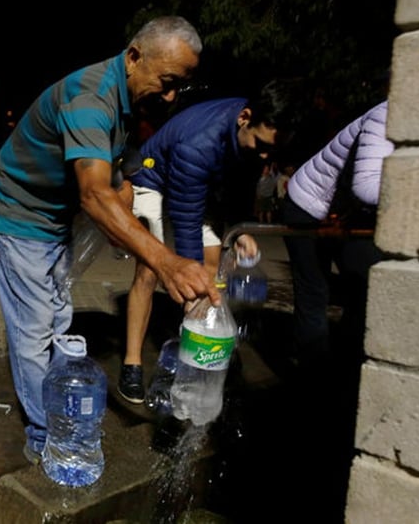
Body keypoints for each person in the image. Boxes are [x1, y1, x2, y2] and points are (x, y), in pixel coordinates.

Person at [0, 16, 221, 463]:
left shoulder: (130, 101)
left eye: (179, 88)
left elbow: (120, 174)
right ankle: (44, 439)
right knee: (33, 333)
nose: (170, 97)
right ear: (133, 57)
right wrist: (166, 263)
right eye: (166, 82)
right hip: (19, 214)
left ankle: (55, 411)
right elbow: (94, 193)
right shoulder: (90, 97)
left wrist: (124, 213)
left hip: (55, 218)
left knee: (57, 318)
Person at [117, 82, 296, 403]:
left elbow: (239, 185)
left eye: (272, 150)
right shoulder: (198, 143)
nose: (266, 155)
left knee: (211, 271)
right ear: (245, 117)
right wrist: (184, 274)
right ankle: (132, 362)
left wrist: (240, 230)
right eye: (261, 145)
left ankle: (196, 353)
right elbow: (186, 218)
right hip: (154, 179)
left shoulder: (254, 136)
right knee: (151, 268)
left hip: (199, 185)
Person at [281, 100, 392, 372]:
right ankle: (311, 373)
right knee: (313, 292)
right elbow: (365, 185)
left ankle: (346, 367)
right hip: (307, 204)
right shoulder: (387, 113)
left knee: (362, 291)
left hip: (348, 215)